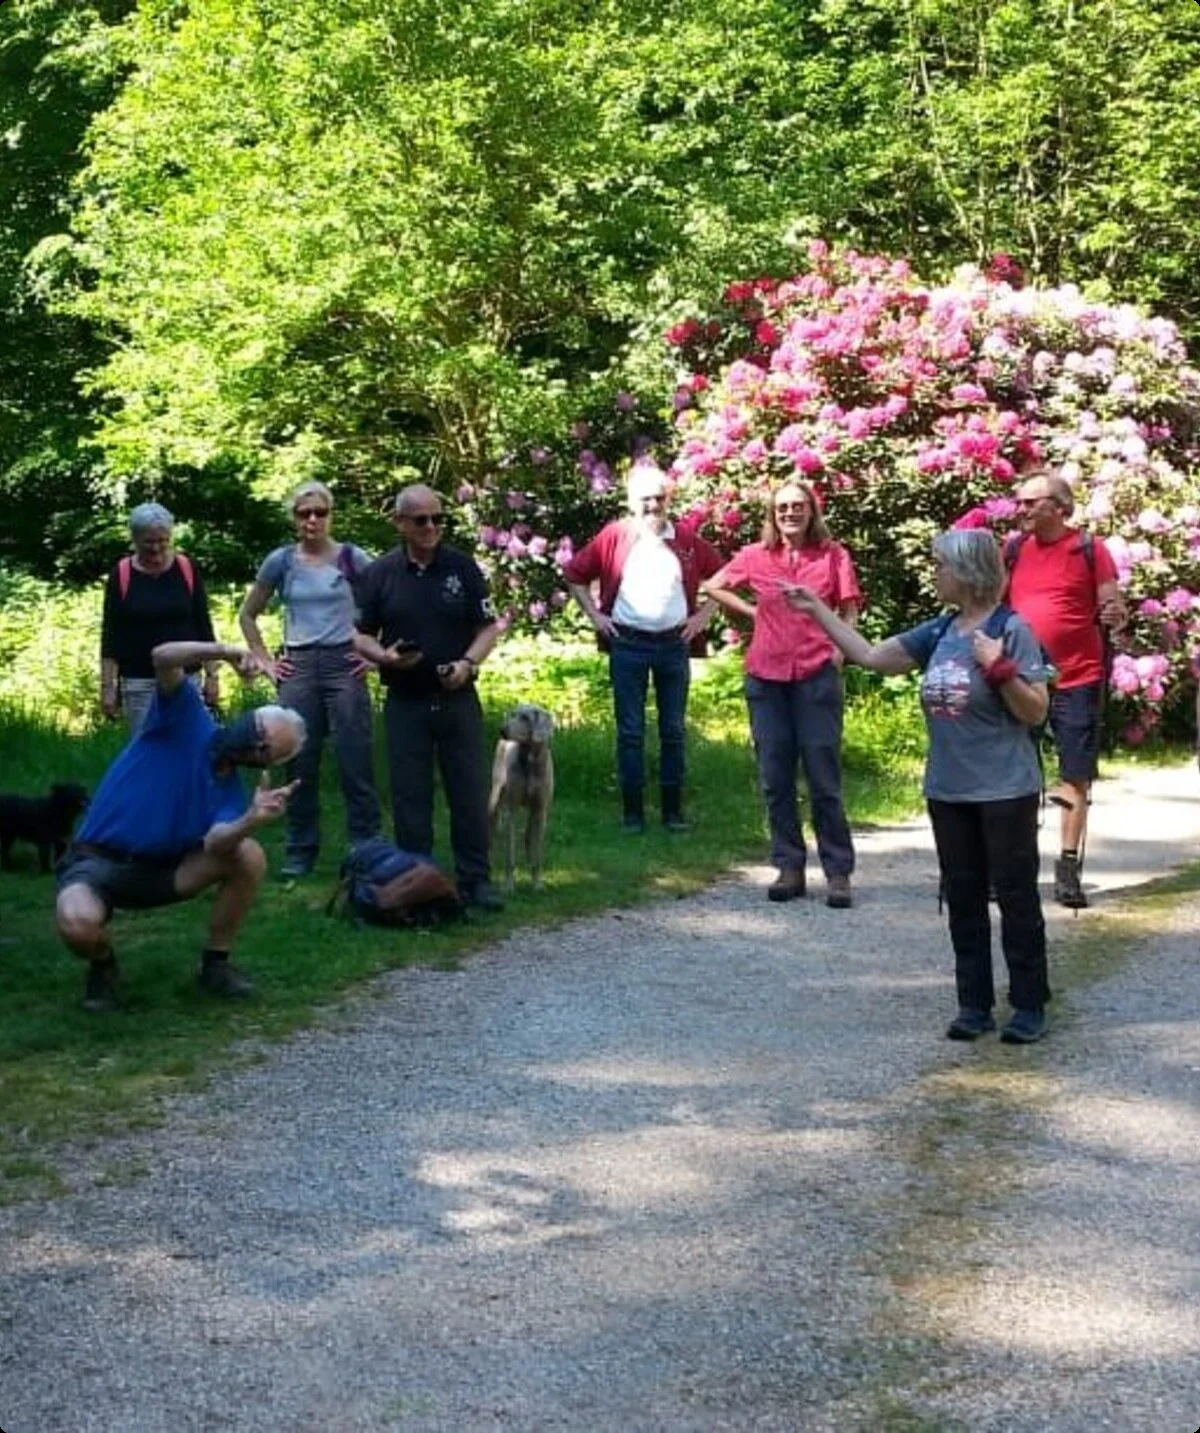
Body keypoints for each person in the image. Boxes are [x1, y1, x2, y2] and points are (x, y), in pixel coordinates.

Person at [782, 529, 1052, 1044]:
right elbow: (871, 657)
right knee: (963, 897)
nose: (934, 573)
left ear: (968, 574)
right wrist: (816, 608)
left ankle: (1028, 1005)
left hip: (1004, 789)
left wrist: (999, 667)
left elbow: (1034, 711)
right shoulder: (940, 631)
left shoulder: (1009, 628)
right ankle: (973, 1005)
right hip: (948, 791)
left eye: (939, 565)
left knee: (1016, 897)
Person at [55, 640, 306, 1012]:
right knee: (77, 925)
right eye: (259, 730)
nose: (256, 742)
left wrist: (250, 820)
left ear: (265, 762)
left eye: (267, 749)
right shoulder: (186, 716)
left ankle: (215, 965)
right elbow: (161, 656)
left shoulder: (231, 793)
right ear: (248, 716)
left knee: (248, 853)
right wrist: (224, 651)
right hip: (96, 863)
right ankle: (104, 967)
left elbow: (218, 842)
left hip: (165, 873)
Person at [702, 480, 861, 907]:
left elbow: (849, 606)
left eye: (798, 506)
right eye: (782, 507)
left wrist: (840, 649)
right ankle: (789, 866)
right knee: (775, 778)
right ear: (772, 514)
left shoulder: (832, 555)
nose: (790, 513)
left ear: (812, 510)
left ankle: (837, 872)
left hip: (815, 674)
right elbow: (713, 586)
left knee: (823, 777)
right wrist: (754, 611)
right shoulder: (755, 556)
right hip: (766, 676)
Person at [353, 484, 505, 911]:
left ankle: (477, 880)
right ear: (400, 523)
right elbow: (358, 634)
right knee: (410, 795)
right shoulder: (381, 573)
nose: (431, 527)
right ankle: (417, 881)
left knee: (468, 792)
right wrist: (383, 656)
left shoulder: (462, 567)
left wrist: (468, 664)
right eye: (421, 520)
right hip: (406, 699)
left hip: (457, 697)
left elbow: (488, 627)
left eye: (438, 518)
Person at [563, 462, 722, 832]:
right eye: (645, 499)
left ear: (669, 500)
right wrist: (594, 616)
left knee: (673, 730)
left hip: (673, 646)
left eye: (659, 498)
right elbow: (574, 575)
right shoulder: (615, 535)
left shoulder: (684, 540)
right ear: (633, 502)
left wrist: (702, 618)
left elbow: (722, 577)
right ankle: (632, 814)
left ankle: (672, 813)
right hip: (628, 645)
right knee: (630, 731)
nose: (653, 505)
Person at [238, 480, 381, 879]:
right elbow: (248, 613)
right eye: (304, 513)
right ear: (294, 519)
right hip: (297, 666)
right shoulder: (281, 561)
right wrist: (265, 661)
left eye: (320, 512)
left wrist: (375, 655)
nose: (313, 520)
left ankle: (365, 847)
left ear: (331, 514)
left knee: (355, 756)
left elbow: (385, 602)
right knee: (298, 759)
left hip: (344, 665)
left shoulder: (353, 558)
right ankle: (300, 849)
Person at [1006, 469, 1125, 908]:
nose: (1020, 510)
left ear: (1059, 507)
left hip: (1079, 676)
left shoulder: (1090, 550)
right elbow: (996, 605)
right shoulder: (1014, 549)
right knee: (1014, 771)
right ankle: (1012, 865)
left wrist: (1116, 612)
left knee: (1073, 774)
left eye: (1029, 503)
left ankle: (1068, 868)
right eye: (1019, 502)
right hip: (1023, 679)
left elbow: (1112, 601)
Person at [100, 502, 220, 730]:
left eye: (162, 541)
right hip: (140, 681)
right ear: (134, 539)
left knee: (192, 744)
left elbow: (203, 625)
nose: (156, 549)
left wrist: (212, 675)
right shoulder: (122, 574)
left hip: (187, 678)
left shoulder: (186, 568)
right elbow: (111, 636)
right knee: (148, 748)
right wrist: (108, 687)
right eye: (148, 542)